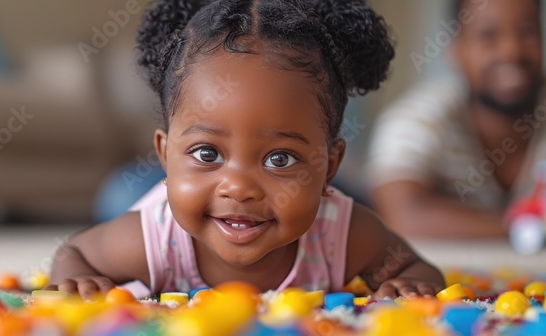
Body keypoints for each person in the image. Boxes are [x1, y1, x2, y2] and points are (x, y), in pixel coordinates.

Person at [48, 0, 443, 299]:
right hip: (152, 205)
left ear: (329, 166)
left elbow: (414, 267)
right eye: (207, 154)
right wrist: (78, 279)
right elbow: (75, 251)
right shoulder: (150, 240)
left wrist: (409, 284)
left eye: (279, 158)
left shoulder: (344, 235)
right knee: (123, 196)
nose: (238, 187)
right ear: (165, 154)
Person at [368, 0, 546, 239]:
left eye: (528, 32)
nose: (512, 51)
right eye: (489, 36)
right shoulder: (416, 116)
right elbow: (402, 217)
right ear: (457, 51)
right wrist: (534, 225)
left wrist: (469, 221)